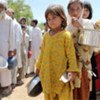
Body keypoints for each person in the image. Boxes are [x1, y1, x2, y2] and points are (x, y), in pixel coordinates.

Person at [35, 4, 79, 100]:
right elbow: (42, 53)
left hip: (61, 75)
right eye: (48, 19)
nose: (51, 21)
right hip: (47, 74)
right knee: (49, 95)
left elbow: (71, 54)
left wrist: (72, 70)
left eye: (54, 18)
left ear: (62, 18)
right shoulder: (46, 36)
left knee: (63, 95)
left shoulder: (66, 35)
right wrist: (38, 66)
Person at [66, 0, 94, 100]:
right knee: (70, 94)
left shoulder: (88, 23)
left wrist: (80, 28)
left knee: (83, 94)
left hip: (84, 66)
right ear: (68, 11)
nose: (75, 12)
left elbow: (92, 45)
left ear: (82, 10)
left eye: (78, 9)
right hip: (69, 67)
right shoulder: (66, 27)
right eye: (72, 9)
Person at [83, 2, 98, 100]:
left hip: (89, 57)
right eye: (83, 9)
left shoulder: (93, 24)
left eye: (87, 10)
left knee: (88, 83)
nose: (84, 12)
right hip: (75, 57)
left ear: (90, 12)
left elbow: (94, 45)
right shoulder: (72, 23)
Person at [0, 0, 16, 96]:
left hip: (5, 48)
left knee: (5, 68)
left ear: (4, 8)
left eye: (1, 7)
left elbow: (12, 36)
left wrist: (12, 49)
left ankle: (6, 87)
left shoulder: (8, 20)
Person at [6, 8, 23, 88]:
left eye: (9, 12)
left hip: (14, 48)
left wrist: (14, 48)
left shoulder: (16, 24)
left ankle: (13, 82)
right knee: (8, 65)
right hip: (7, 47)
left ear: (12, 14)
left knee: (13, 65)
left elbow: (19, 38)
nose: (7, 13)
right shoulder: (6, 22)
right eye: (7, 12)